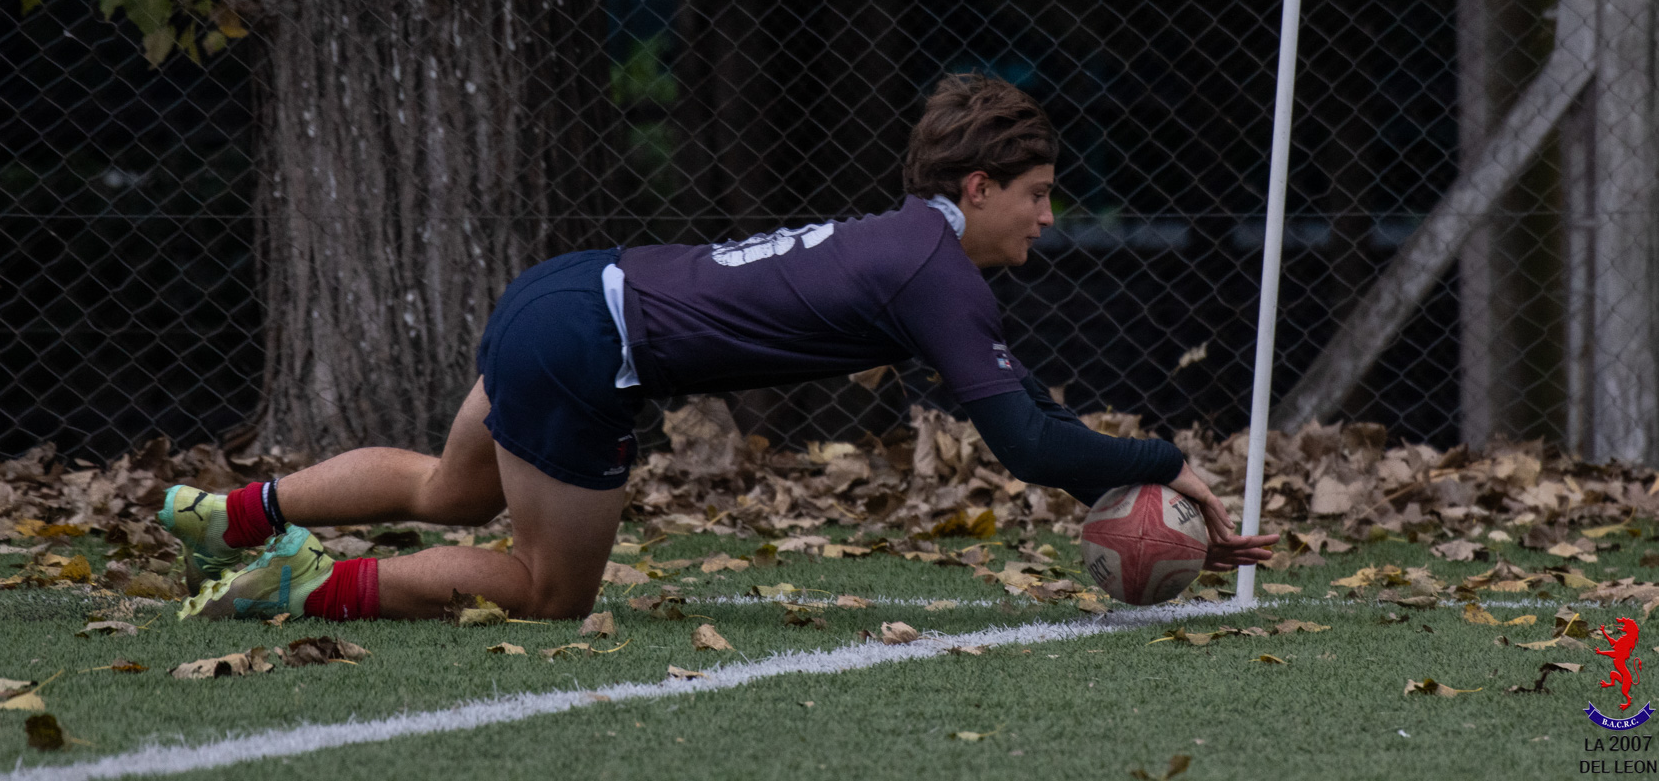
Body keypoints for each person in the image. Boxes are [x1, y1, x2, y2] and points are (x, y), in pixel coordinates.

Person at [160, 73, 1277, 622]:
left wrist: (1144, 463)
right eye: (1034, 195)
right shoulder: (936, 276)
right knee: (551, 592)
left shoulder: (915, 249)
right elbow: (1029, 446)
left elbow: (1026, 403)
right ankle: (303, 587)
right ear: (974, 189)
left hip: (568, 290)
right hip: (592, 345)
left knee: (451, 488)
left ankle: (236, 515)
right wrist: (1164, 461)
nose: (1047, 217)